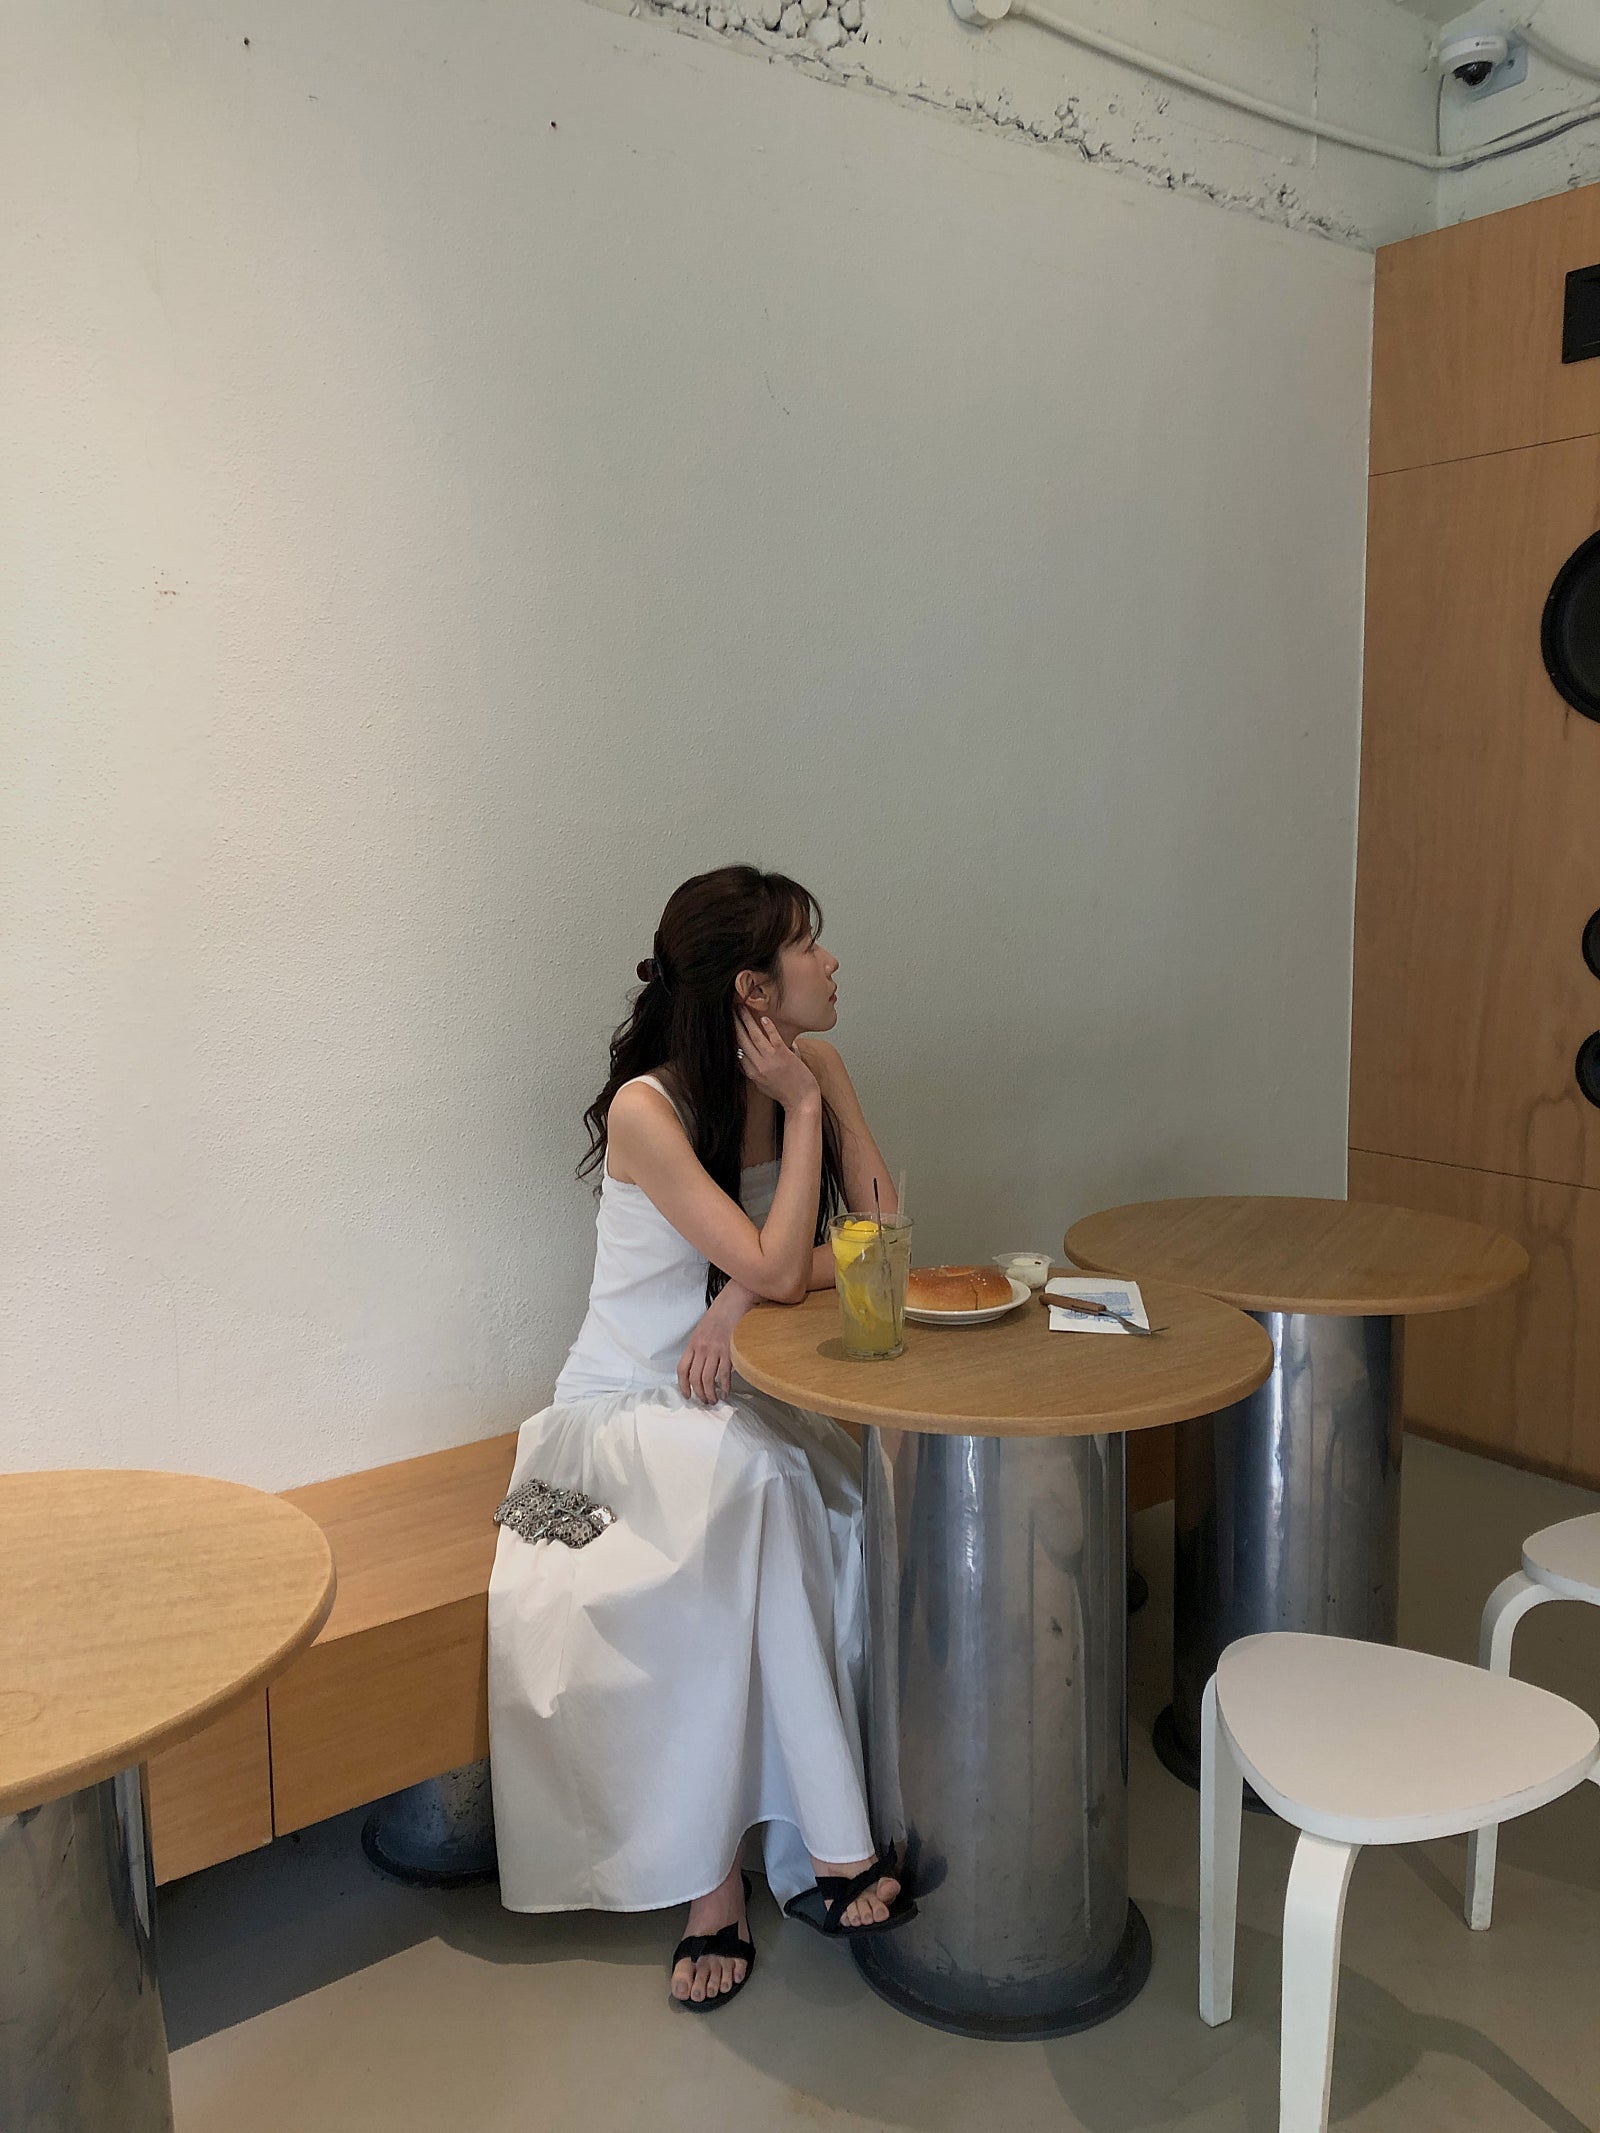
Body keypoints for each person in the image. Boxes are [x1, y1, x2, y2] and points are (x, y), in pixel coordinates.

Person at [488, 864, 914, 2011]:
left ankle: (813, 1832)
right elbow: (783, 1263)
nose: (831, 962)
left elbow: (881, 1237)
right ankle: (735, 1879)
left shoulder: (812, 1066)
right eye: (809, 946)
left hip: (728, 1393)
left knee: (833, 1497)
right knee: (758, 1492)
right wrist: (761, 1261)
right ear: (751, 988)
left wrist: (737, 1295)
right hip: (619, 1409)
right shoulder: (650, 1109)